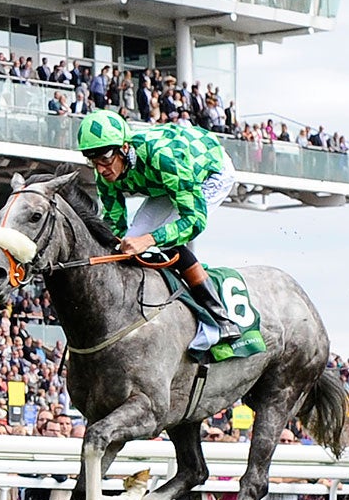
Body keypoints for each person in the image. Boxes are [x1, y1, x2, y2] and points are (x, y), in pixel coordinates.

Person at [75, 110, 240, 344]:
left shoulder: (164, 158)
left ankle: (220, 318)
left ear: (124, 147)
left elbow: (193, 221)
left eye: (104, 159)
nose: (101, 169)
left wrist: (150, 240)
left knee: (166, 241)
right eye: (93, 160)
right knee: (128, 244)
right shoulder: (105, 174)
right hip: (165, 181)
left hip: (208, 171)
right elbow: (114, 226)